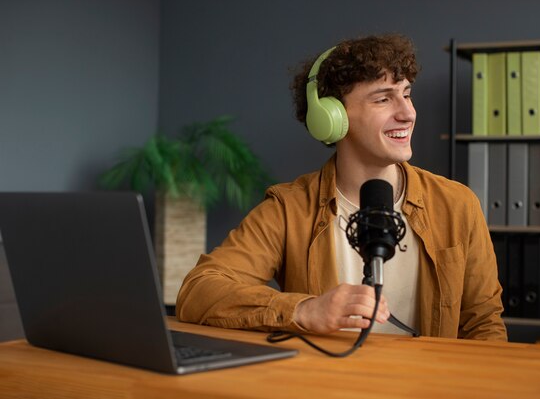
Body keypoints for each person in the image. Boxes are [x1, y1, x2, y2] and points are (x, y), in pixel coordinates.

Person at [176, 34, 507, 341]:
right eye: (383, 99)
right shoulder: (289, 209)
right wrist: (305, 310)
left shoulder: (457, 204)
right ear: (331, 117)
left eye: (406, 94)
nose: (407, 113)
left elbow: (485, 325)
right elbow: (198, 290)